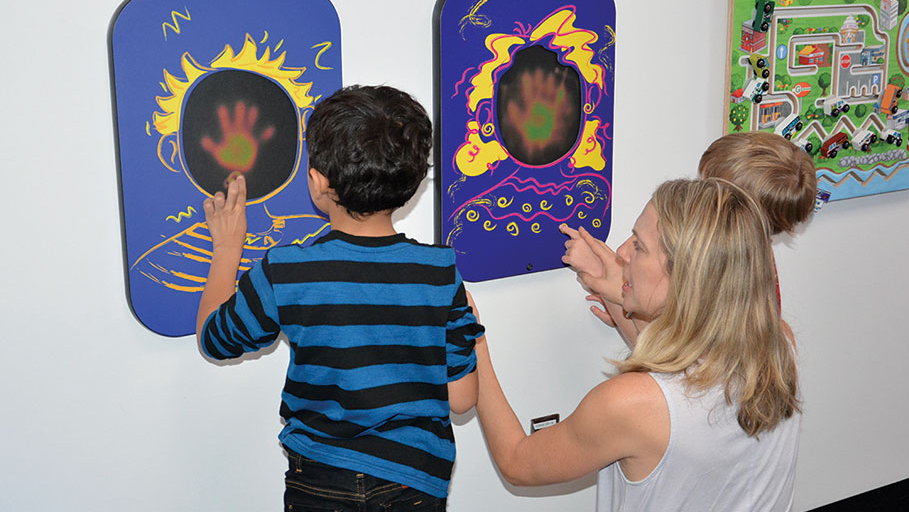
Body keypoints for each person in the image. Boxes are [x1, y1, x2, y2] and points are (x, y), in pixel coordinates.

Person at [196, 85, 483, 511]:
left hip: (321, 479)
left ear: (317, 182)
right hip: (415, 481)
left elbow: (214, 338)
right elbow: (461, 399)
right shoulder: (439, 270)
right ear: (411, 181)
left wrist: (227, 248)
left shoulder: (289, 270)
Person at [473, 178, 801, 511]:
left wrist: (472, 339)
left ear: (684, 275)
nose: (622, 253)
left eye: (639, 247)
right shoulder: (778, 346)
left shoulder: (628, 404)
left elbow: (516, 462)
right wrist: (622, 293)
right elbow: (682, 374)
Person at [561, 131, 816, 345]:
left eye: (704, 187)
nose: (693, 194)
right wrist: (624, 303)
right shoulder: (753, 264)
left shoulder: (722, 273)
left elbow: (659, 358)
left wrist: (615, 293)